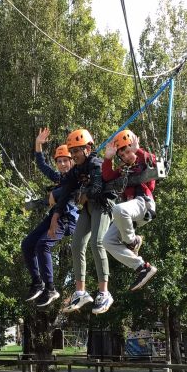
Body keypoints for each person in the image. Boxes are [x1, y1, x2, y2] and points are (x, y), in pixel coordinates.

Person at [48, 128, 114, 315]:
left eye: (77, 150)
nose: (74, 155)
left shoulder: (95, 164)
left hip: (102, 205)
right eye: (72, 151)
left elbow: (98, 188)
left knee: (97, 243)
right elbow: (65, 193)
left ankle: (104, 292)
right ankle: (80, 292)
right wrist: (55, 217)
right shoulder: (76, 170)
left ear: (88, 148)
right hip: (88, 208)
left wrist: (85, 195)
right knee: (76, 245)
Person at [21, 128, 78, 308]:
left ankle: (51, 288)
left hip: (67, 220)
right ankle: (37, 282)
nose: (62, 164)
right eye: (59, 161)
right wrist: (38, 144)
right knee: (27, 244)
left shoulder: (76, 177)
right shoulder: (59, 177)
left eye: (65, 161)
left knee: (43, 244)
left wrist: (55, 194)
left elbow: (69, 191)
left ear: (72, 161)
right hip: (54, 216)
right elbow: (42, 165)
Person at [102, 129, 158, 291]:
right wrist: (108, 159)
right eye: (122, 155)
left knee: (118, 209)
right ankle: (142, 267)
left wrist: (137, 151)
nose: (126, 157)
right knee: (107, 241)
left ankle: (132, 241)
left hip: (143, 203)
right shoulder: (123, 169)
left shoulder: (143, 161)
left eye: (128, 152)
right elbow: (107, 177)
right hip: (129, 214)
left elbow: (154, 161)